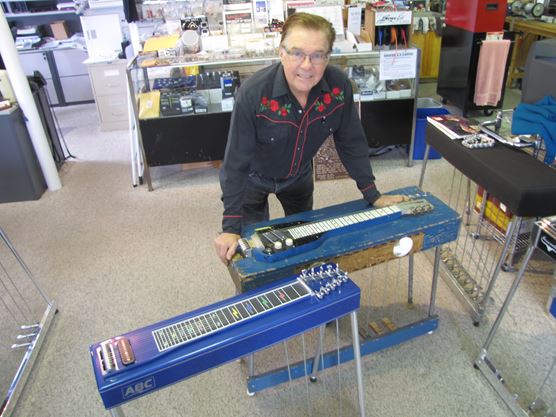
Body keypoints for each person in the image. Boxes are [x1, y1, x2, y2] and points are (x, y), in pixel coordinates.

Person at [214, 12, 407, 265]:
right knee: (258, 253)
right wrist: (230, 225)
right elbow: (235, 161)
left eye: (317, 55)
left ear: (328, 57)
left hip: (298, 177)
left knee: (304, 245)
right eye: (296, 53)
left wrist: (372, 193)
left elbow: (351, 142)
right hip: (253, 179)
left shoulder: (338, 89)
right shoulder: (253, 94)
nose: (307, 65)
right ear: (281, 52)